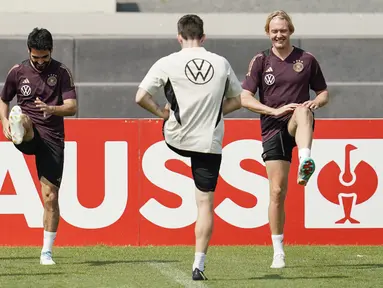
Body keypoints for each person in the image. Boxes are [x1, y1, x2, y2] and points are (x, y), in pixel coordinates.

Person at [136, 14, 242, 281]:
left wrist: (162, 113)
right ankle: (199, 265)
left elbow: (140, 97)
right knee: (205, 203)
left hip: (176, 137)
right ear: (204, 37)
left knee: (174, 106)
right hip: (209, 142)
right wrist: (213, 112)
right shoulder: (221, 62)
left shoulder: (168, 62)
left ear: (179, 37)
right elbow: (237, 101)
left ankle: (175, 115)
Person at [241, 10, 329, 268]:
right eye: (274, 31)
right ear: (268, 33)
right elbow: (245, 98)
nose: (279, 35)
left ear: (290, 30)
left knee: (303, 109)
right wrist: (273, 110)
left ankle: (305, 160)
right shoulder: (260, 60)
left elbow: (323, 92)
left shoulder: (307, 59)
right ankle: (278, 250)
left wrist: (317, 101)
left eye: (283, 30)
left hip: (297, 123)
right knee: (277, 192)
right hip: (272, 127)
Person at [0, 28, 77, 265]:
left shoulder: (62, 72)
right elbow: (4, 98)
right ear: (29, 52)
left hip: (53, 138)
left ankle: (46, 252)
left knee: (50, 196)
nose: (41, 62)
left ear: (51, 51)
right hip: (30, 133)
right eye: (36, 57)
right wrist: (4, 121)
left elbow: (72, 106)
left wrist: (51, 109)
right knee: (22, 117)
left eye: (45, 57)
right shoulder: (18, 71)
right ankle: (19, 124)